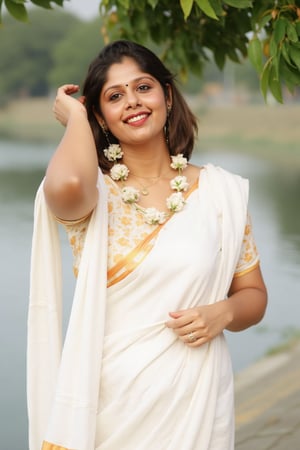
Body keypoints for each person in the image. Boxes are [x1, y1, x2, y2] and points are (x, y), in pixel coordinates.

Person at [27, 40, 267, 450]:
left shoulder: (219, 191)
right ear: (100, 117)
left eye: (143, 87)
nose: (133, 103)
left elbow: (253, 295)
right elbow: (65, 184)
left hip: (195, 398)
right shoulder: (93, 193)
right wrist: (76, 119)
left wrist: (224, 312)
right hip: (112, 406)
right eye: (114, 97)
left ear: (167, 96)